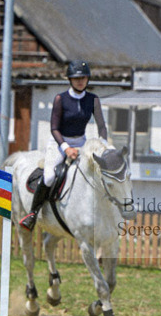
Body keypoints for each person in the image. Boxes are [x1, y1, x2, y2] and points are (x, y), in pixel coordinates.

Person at [19, 60, 109, 230]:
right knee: (49, 177)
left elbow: (102, 126)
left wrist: (102, 145)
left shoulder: (93, 100)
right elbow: (54, 128)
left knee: (95, 173)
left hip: (82, 142)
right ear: (70, 80)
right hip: (60, 141)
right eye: (76, 78)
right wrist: (66, 148)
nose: (80, 81)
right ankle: (33, 213)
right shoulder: (61, 99)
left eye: (83, 78)